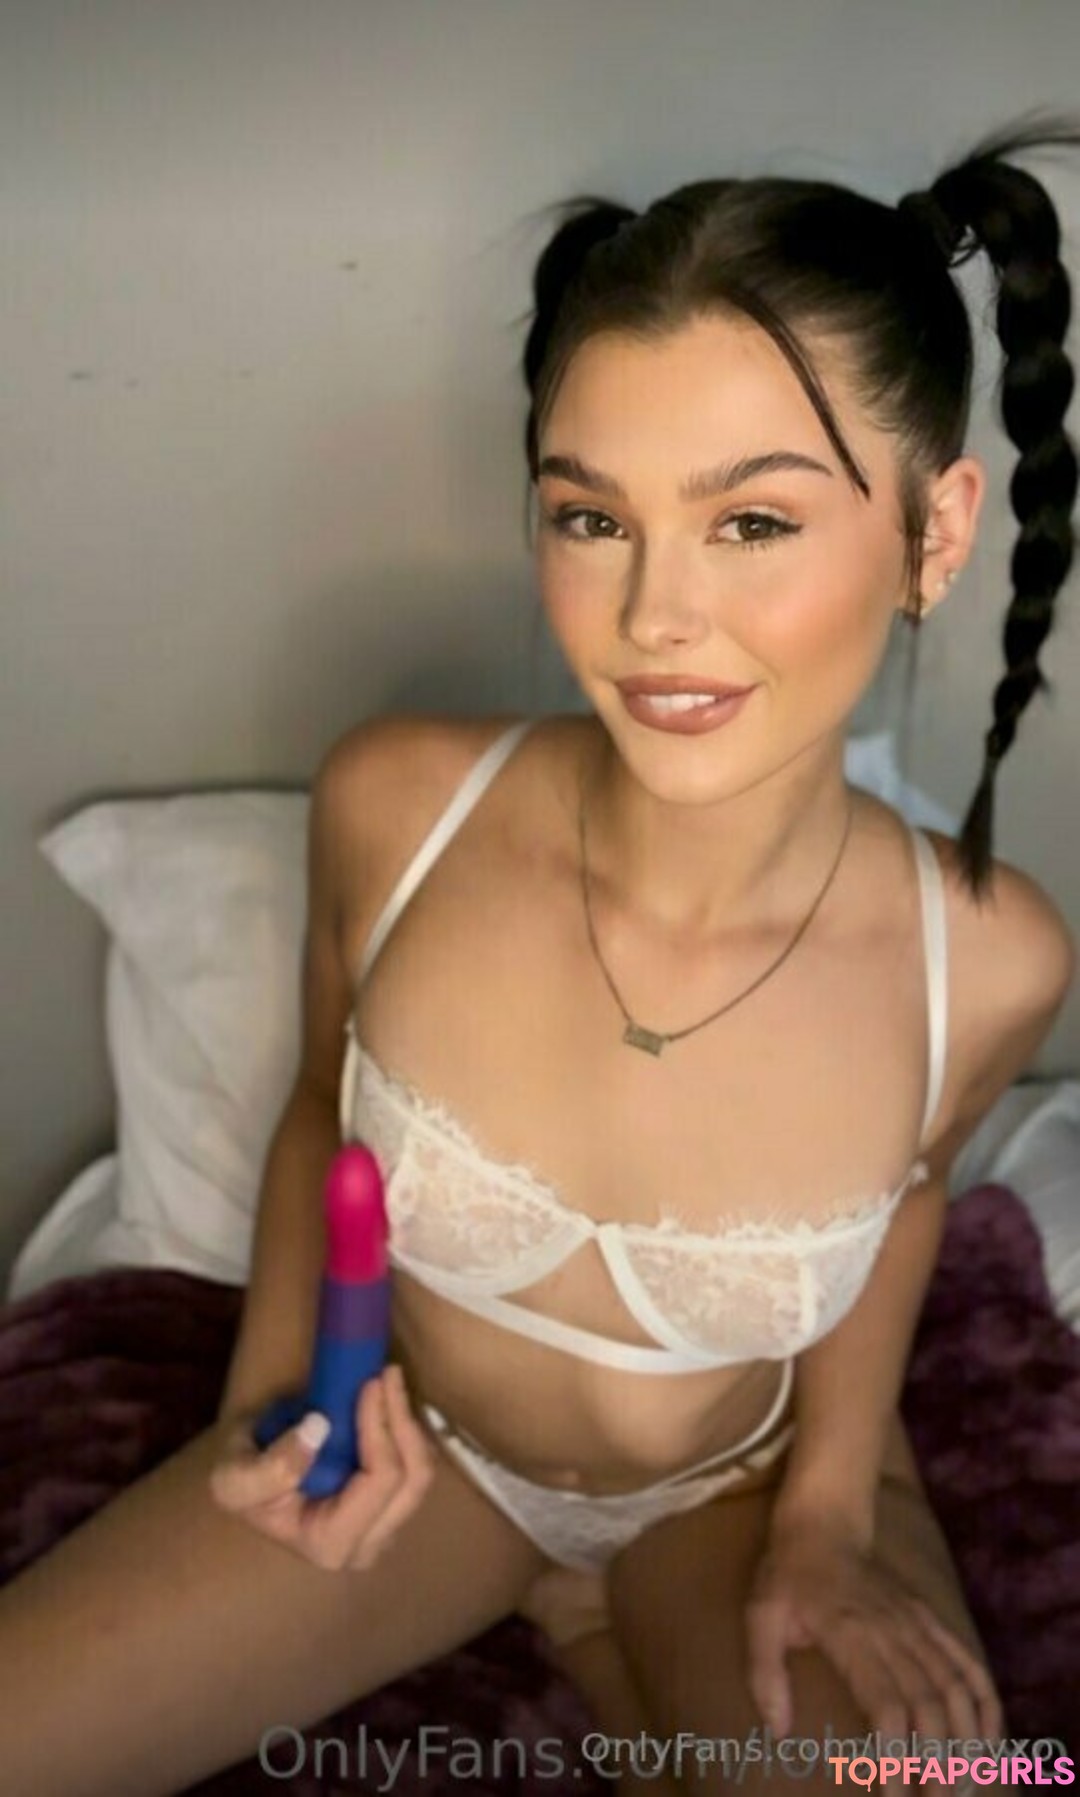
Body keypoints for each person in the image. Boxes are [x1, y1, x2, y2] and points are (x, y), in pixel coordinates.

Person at [2, 110, 1079, 1797]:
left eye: (753, 523)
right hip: (423, 1454)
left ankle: (638, 1614)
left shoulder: (989, 958)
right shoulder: (397, 803)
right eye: (592, 517)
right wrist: (275, 1406)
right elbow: (320, 1110)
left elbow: (913, 1197)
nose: (654, 617)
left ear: (936, 533)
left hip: (734, 1494)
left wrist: (826, 1511)